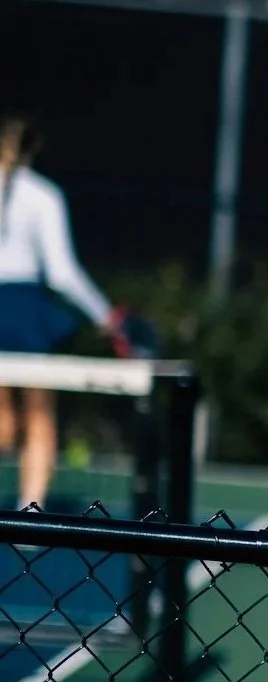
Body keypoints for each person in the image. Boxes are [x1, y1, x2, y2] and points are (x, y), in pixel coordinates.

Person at [0, 111, 129, 511]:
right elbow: (62, 272)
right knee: (39, 415)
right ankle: (29, 516)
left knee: (3, 421)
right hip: (24, 311)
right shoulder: (43, 194)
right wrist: (107, 317)